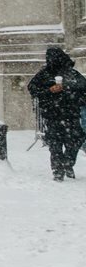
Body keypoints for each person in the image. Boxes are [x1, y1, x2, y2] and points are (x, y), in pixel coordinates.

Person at [27, 47, 86, 181]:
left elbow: (83, 91)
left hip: (70, 113)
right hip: (53, 114)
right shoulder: (44, 75)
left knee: (75, 140)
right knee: (55, 143)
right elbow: (33, 89)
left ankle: (67, 164)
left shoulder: (72, 74)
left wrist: (70, 91)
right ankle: (58, 169)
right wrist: (49, 90)